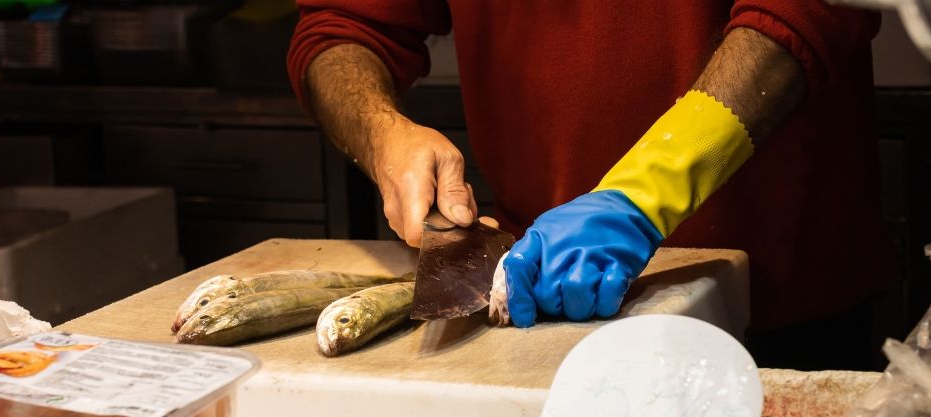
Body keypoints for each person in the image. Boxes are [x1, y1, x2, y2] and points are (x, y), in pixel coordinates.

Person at [288, 2, 896, 370]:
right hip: (537, 306)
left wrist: (645, 191)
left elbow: (809, 7)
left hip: (778, 306)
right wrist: (382, 134)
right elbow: (344, 25)